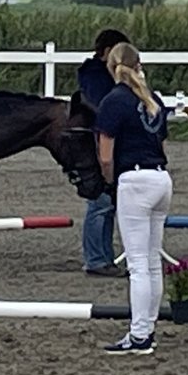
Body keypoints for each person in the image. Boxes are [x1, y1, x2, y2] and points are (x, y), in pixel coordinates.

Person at [95, 41, 171, 355]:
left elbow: (105, 155)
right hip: (161, 178)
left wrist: (110, 181)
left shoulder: (114, 101)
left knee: (138, 264)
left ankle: (139, 334)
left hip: (134, 179)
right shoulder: (153, 99)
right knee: (152, 262)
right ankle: (147, 327)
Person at [76, 28, 130, 277]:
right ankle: (97, 258)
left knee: (106, 203)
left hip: (103, 139)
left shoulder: (93, 76)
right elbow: (102, 109)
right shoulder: (97, 77)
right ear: (108, 52)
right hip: (99, 141)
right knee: (101, 202)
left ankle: (102, 256)